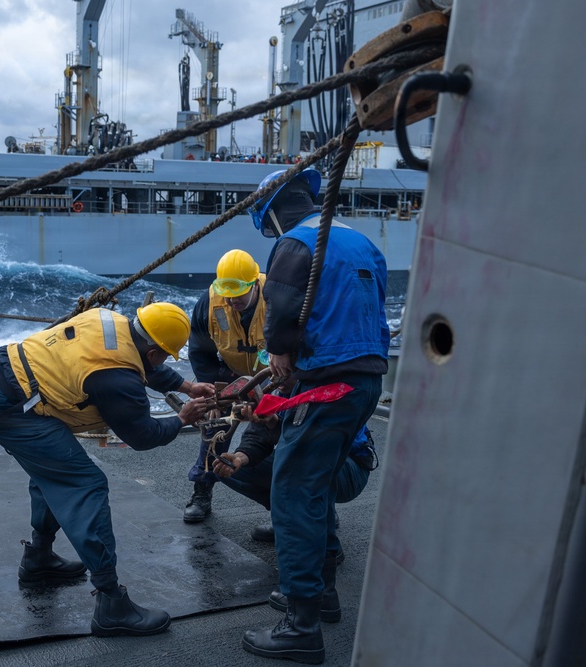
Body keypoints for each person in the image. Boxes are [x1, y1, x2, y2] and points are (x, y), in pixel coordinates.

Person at [0, 302, 213, 637]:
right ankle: (111, 603)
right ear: (156, 350)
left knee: (53, 471)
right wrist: (182, 419)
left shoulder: (115, 324)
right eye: (164, 355)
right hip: (12, 406)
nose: (161, 360)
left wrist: (186, 387)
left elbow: (143, 363)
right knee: (85, 482)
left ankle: (39, 559)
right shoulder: (116, 377)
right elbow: (142, 436)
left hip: (1, 381)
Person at [240, 168, 389, 664]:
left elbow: (280, 302)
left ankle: (300, 627)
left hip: (327, 381)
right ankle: (320, 594)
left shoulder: (296, 244)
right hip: (367, 380)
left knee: (293, 492)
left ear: (274, 212)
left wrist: (278, 351)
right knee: (318, 482)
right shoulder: (363, 243)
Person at [212, 415, 378, 623]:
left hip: (349, 466)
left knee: (301, 463)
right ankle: (295, 519)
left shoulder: (324, 391)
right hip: (309, 458)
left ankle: (315, 585)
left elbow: (309, 443)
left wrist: (274, 422)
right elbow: (257, 436)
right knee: (228, 467)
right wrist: (241, 456)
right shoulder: (277, 390)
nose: (277, 383)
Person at [183, 248, 268, 523]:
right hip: (231, 375)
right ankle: (202, 491)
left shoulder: (277, 296)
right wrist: (213, 393)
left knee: (282, 433)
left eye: (239, 294)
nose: (232, 301)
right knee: (214, 427)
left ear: (255, 284)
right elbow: (199, 351)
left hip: (274, 377)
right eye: (227, 294)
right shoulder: (208, 303)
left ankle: (298, 504)